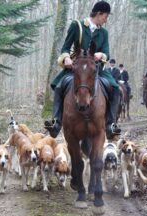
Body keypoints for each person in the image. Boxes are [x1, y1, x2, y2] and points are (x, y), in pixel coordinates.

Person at [44, 1, 121, 139]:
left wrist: (101, 55)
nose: (106, 19)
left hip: (96, 69)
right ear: (99, 13)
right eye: (106, 16)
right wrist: (66, 58)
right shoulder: (77, 26)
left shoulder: (104, 32)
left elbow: (106, 53)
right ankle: (56, 122)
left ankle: (111, 124)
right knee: (59, 87)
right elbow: (65, 48)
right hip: (77, 68)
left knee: (116, 89)